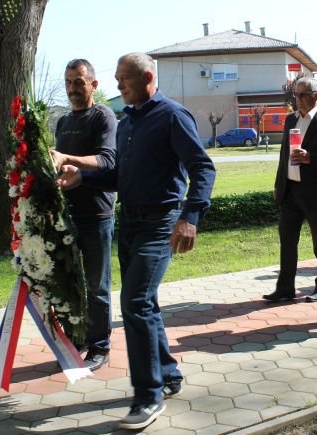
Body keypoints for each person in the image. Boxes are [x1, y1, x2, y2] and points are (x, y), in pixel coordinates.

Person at [58, 52, 215, 431]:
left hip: (160, 223)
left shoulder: (172, 116)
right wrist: (83, 178)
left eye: (123, 78)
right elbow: (120, 177)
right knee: (145, 304)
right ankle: (168, 374)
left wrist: (190, 217)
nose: (117, 85)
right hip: (129, 222)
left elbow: (202, 167)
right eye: (116, 78)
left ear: (146, 78)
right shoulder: (128, 123)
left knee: (135, 302)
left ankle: (148, 396)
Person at [50, 58, 117, 371]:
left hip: (97, 214)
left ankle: (100, 346)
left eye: (78, 82)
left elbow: (107, 161)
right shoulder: (63, 122)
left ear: (93, 84)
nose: (72, 88)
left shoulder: (103, 116)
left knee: (96, 284)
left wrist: (67, 157)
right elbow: (60, 166)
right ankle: (76, 342)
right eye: (68, 82)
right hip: (67, 214)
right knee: (68, 282)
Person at [264, 77, 317, 303]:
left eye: (302, 95)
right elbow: (284, 155)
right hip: (290, 191)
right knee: (287, 242)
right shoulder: (291, 119)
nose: (297, 99)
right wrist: (279, 184)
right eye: (295, 95)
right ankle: (285, 289)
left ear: (316, 96)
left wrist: (311, 157)